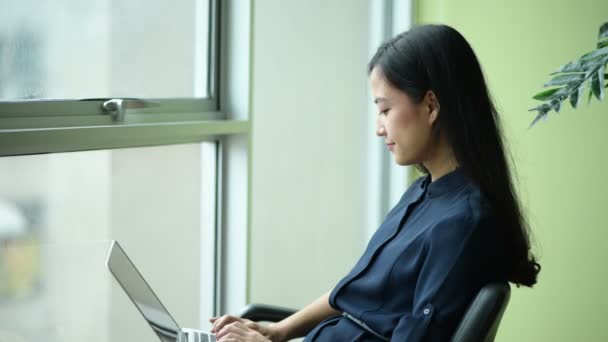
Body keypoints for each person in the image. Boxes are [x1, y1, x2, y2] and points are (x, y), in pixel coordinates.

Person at [208, 24, 541, 342]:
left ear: (430, 105)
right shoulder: (423, 193)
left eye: (385, 110)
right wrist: (278, 331)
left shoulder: (461, 223)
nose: (379, 128)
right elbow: (358, 289)